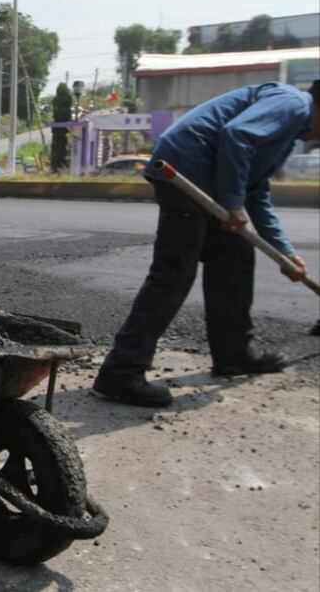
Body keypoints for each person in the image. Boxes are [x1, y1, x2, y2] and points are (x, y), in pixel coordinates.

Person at [93, 80, 319, 408]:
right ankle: (121, 370)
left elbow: (256, 190)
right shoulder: (294, 103)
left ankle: (233, 354)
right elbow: (237, 135)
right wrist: (233, 203)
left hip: (209, 180)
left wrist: (286, 254)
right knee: (174, 273)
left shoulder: (289, 131)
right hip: (187, 170)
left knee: (235, 258)